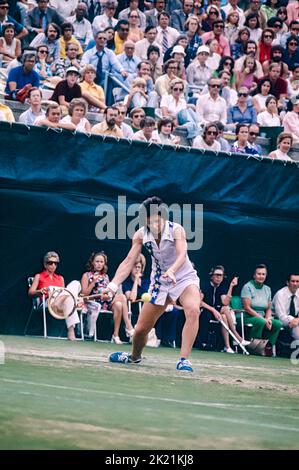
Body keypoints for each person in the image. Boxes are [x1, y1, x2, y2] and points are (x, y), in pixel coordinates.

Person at [107, 196, 202, 372]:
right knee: (141, 330)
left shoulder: (176, 230)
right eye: (150, 222)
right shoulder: (140, 235)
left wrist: (172, 270)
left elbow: (182, 254)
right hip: (160, 282)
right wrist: (112, 285)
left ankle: (184, 360)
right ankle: (134, 357)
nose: (155, 226)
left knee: (193, 310)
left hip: (184, 277)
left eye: (158, 221)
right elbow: (129, 261)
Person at [81, 251, 134, 342]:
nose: (99, 264)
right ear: (92, 262)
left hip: (107, 301)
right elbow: (84, 295)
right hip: (94, 302)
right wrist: (93, 282)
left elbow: (110, 291)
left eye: (101, 262)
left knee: (119, 303)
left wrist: (110, 294)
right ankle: (128, 326)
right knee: (122, 298)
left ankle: (116, 335)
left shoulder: (106, 276)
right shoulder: (86, 275)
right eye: (97, 261)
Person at [28, 251, 80, 340]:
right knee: (69, 299)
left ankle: (71, 328)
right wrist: (40, 291)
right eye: (50, 263)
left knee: (75, 283)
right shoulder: (39, 276)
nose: (53, 265)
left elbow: (65, 292)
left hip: (61, 301)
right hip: (47, 301)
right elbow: (30, 293)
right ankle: (71, 330)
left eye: (55, 263)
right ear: (45, 264)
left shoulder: (60, 278)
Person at [198, 265, 250, 353]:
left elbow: (225, 302)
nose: (219, 277)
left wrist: (231, 286)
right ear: (212, 275)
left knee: (224, 314)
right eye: (217, 275)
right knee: (225, 309)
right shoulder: (205, 285)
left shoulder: (222, 287)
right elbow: (199, 302)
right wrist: (213, 310)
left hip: (218, 312)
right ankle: (237, 337)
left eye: (221, 275)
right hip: (206, 311)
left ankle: (227, 346)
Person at [241, 264, 283, 356]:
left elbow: (268, 308)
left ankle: (268, 348)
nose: (261, 276)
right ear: (254, 275)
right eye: (259, 274)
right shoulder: (247, 287)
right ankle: (255, 348)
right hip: (248, 316)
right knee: (260, 322)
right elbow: (247, 307)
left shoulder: (267, 289)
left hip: (263, 317)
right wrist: (263, 319)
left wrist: (268, 318)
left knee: (277, 323)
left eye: (263, 274)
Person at [273, 273, 299, 341]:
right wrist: (292, 320)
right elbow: (281, 316)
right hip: (279, 321)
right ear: (287, 282)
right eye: (293, 281)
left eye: (297, 281)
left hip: (296, 321)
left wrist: (297, 320)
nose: (295, 284)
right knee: (297, 328)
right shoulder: (280, 294)